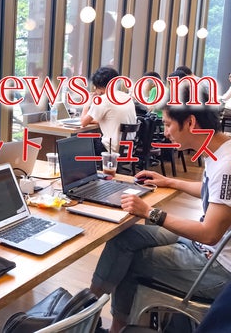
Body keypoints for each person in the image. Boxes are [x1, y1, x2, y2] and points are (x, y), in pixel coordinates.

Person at [89, 85, 231, 333]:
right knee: (124, 238)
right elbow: (213, 192)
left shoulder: (226, 164)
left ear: (190, 122)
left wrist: (150, 212)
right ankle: (88, 309)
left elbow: (210, 234)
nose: (165, 133)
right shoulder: (220, 147)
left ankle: (109, 326)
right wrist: (170, 182)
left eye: (168, 125)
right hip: (207, 250)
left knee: (130, 261)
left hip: (217, 269)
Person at [80, 67, 137, 154]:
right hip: (128, 149)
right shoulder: (127, 97)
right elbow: (112, 119)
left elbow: (83, 122)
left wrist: (87, 104)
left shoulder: (103, 100)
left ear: (99, 86)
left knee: (79, 142)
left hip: (110, 149)